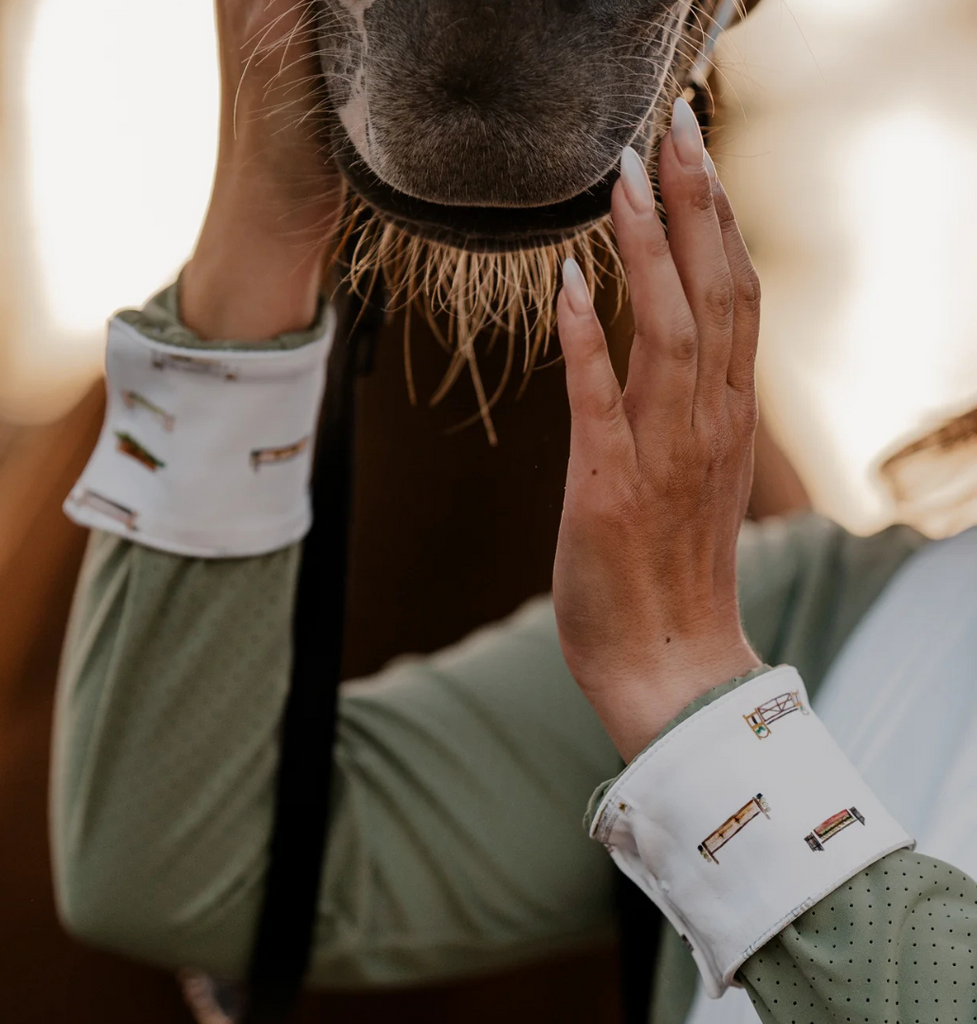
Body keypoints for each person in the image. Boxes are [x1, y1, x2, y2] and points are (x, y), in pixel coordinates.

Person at [50, 3, 977, 1023]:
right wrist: (266, 218)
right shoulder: (831, 617)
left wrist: (690, 705)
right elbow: (179, 871)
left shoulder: (736, 655)